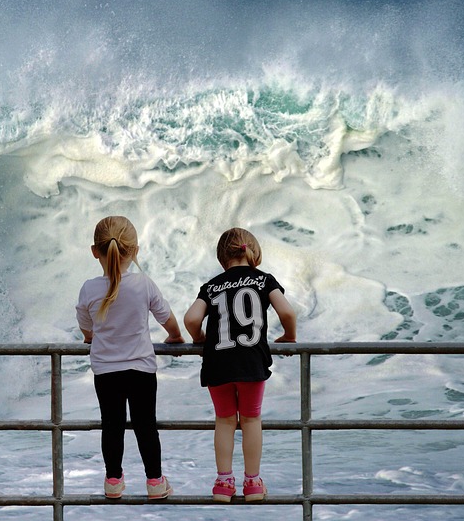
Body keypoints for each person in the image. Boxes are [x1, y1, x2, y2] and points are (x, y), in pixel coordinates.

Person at [183, 227, 298, 503]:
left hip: (217, 362)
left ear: (223, 258)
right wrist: (290, 337)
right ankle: (253, 483)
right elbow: (287, 311)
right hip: (251, 361)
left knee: (224, 420)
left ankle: (223, 483)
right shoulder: (264, 280)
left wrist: (199, 339)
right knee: (251, 418)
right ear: (253, 253)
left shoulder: (211, 286)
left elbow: (190, 319)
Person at [75, 215, 185, 499]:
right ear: (134, 250)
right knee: (145, 426)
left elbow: (86, 327)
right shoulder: (144, 284)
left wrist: (90, 338)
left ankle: (113, 481)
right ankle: (155, 482)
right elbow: (167, 319)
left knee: (111, 426)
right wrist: (174, 336)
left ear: (94, 251)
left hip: (106, 371)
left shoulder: (89, 288)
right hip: (141, 369)